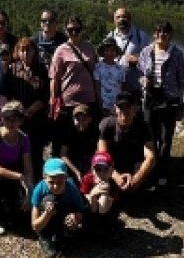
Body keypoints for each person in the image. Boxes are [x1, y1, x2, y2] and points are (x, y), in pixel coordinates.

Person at [137, 20, 184, 187]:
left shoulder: (178, 54)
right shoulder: (146, 51)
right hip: (151, 100)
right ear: (154, 34)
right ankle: (150, 169)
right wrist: (144, 81)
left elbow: (183, 80)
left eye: (165, 32)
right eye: (158, 32)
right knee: (150, 137)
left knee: (166, 139)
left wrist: (181, 103)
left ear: (170, 34)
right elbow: (140, 72)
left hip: (169, 101)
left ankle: (163, 171)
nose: (162, 35)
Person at [0, 100, 35, 236]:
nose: (11, 123)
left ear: (21, 121)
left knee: (18, 217)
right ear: (2, 119)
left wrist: (30, 190)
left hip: (12, 176)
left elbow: (28, 168)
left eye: (15, 119)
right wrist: (19, 177)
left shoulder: (24, 138)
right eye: (7, 119)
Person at [49, 15, 98, 154]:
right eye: (70, 30)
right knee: (67, 138)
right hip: (68, 102)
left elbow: (96, 72)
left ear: (81, 30)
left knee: (87, 138)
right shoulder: (61, 50)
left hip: (89, 100)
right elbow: (55, 77)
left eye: (77, 29)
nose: (74, 33)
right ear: (65, 31)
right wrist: (53, 100)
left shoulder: (89, 47)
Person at [5, 36, 51, 179]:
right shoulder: (12, 69)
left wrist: (30, 110)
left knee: (36, 153)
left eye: (28, 50)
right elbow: (8, 93)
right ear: (17, 52)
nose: (25, 53)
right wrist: (19, 111)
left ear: (35, 51)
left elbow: (45, 95)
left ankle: (36, 186)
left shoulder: (42, 69)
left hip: (37, 119)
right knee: (17, 153)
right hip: (17, 119)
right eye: (22, 50)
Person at [97, 93, 158, 195]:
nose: (124, 110)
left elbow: (151, 157)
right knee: (101, 172)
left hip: (135, 164)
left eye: (128, 106)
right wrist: (116, 177)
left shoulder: (143, 126)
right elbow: (102, 156)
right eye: (121, 107)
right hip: (113, 166)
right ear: (115, 108)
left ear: (134, 107)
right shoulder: (106, 124)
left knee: (148, 178)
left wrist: (137, 178)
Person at [31, 158, 86, 258]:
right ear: (44, 178)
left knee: (72, 227)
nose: (56, 186)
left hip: (64, 215)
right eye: (51, 182)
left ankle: (62, 235)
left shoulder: (72, 188)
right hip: (47, 218)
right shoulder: (39, 189)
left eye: (60, 181)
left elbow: (80, 210)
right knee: (49, 199)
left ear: (66, 177)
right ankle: (45, 238)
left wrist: (76, 217)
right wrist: (46, 214)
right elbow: (35, 226)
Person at [59, 103, 99, 185]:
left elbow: (98, 152)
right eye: (77, 119)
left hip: (90, 165)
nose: (81, 122)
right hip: (73, 167)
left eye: (84, 119)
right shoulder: (68, 133)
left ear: (90, 119)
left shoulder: (95, 133)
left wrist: (91, 171)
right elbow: (63, 155)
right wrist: (76, 172)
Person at [109, 6, 150, 70]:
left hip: (133, 77)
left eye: (124, 17)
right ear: (114, 20)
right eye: (118, 17)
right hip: (115, 77)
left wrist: (138, 58)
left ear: (130, 19)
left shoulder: (141, 36)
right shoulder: (110, 36)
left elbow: (150, 58)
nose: (121, 19)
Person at [94, 39, 126, 114]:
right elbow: (97, 88)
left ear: (116, 52)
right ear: (103, 52)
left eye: (112, 50)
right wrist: (100, 105)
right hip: (103, 105)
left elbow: (123, 87)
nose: (110, 53)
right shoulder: (98, 67)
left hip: (117, 105)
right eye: (107, 50)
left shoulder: (121, 69)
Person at [33, 9, 66, 74]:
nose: (47, 23)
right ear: (40, 23)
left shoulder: (64, 41)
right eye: (44, 21)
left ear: (56, 23)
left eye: (51, 21)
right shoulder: (33, 41)